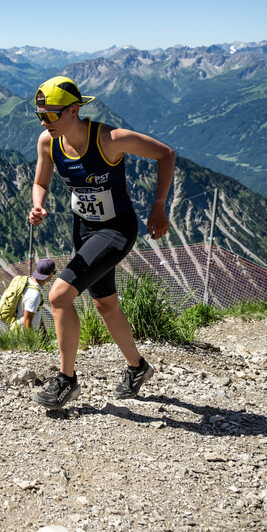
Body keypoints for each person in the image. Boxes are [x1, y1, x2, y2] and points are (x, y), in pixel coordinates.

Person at [27, 76, 174, 409]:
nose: (44, 121)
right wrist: (38, 203)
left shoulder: (110, 139)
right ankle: (138, 368)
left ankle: (66, 381)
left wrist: (159, 205)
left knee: (59, 295)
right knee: (104, 304)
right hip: (84, 230)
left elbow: (165, 155)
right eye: (40, 115)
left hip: (117, 230)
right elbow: (40, 181)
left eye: (50, 114)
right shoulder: (47, 143)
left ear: (74, 110)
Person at [13, 258, 56, 332]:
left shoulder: (30, 283)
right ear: (50, 275)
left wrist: (44, 333)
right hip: (24, 333)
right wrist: (30, 342)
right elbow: (27, 321)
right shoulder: (34, 294)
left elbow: (35, 311)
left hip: (23, 329)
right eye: (54, 272)